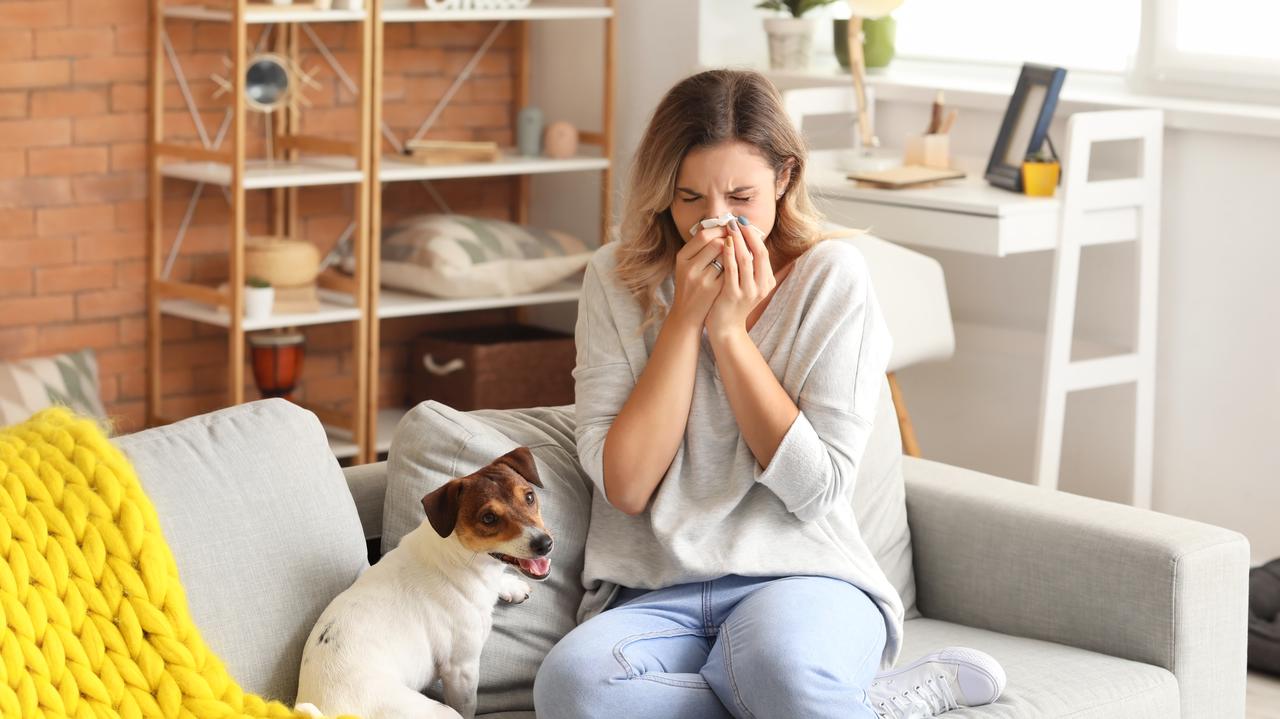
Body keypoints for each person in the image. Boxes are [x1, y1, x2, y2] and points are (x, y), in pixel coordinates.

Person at [533, 69, 1006, 719]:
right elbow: (628, 485)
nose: (713, 222)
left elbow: (815, 488)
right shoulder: (614, 279)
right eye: (689, 197)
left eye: (741, 196)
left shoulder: (831, 278)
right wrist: (682, 324)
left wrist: (729, 335)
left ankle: (803, 694)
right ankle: (856, 704)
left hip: (803, 577)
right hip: (650, 592)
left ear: (784, 180)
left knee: (776, 668)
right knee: (573, 688)